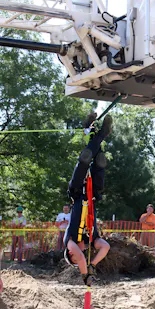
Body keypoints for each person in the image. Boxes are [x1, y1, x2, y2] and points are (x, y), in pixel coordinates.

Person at [63, 113, 111, 286]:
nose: (80, 255)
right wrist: (93, 264)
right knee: (99, 162)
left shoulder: (69, 242)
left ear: (70, 254)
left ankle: (98, 133)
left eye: (75, 258)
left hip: (77, 193)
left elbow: (81, 259)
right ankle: (96, 133)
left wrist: (85, 274)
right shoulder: (92, 239)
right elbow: (105, 247)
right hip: (92, 195)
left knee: (85, 159)